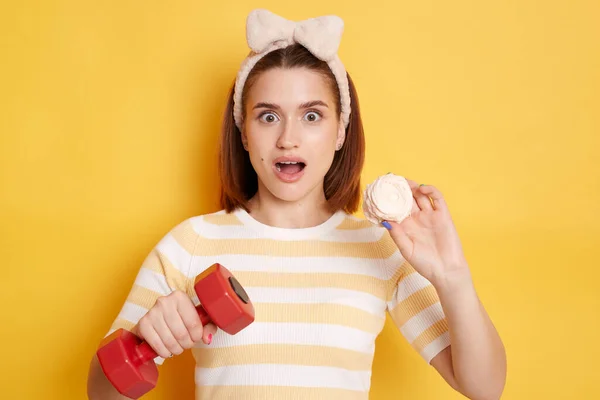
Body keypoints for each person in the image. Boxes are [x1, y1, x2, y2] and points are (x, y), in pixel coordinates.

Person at [87, 9, 506, 400]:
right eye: (268, 116)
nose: (288, 138)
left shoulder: (378, 248)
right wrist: (144, 335)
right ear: (244, 132)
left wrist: (452, 276)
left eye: (312, 116)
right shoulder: (191, 244)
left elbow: (484, 388)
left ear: (340, 131)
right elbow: (99, 393)